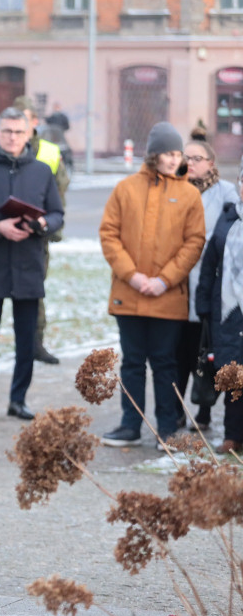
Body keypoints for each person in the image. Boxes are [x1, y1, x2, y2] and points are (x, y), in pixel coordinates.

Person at [98, 122, 205, 449]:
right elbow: (109, 235)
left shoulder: (188, 194)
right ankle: (130, 425)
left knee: (165, 363)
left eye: (177, 154)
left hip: (167, 296)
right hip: (128, 294)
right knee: (131, 362)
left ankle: (167, 429)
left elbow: (194, 242)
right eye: (167, 153)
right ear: (153, 155)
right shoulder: (125, 189)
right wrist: (133, 276)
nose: (174, 160)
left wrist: (164, 280)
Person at [0, 107, 64, 424]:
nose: (12, 137)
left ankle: (18, 400)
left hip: (28, 263)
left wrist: (43, 222)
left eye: (18, 132)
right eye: (6, 131)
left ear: (29, 134)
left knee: (26, 340)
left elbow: (58, 214)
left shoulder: (42, 171)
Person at [175, 137, 237, 430]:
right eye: (186, 158)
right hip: (176, 287)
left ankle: (204, 412)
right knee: (176, 355)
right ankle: (174, 409)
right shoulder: (174, 190)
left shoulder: (226, 194)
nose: (191, 163)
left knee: (205, 353)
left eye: (197, 158)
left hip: (211, 289)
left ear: (211, 163)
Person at [13, 95, 69, 365]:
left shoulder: (48, 151)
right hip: (4, 230)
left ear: (34, 121)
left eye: (24, 120)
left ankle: (36, 343)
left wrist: (50, 227)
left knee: (35, 290)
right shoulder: (5, 145)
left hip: (38, 231)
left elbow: (59, 191)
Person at [195, 182, 243, 453]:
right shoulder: (227, 219)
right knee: (233, 375)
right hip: (228, 311)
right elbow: (209, 265)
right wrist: (203, 306)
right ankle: (232, 436)